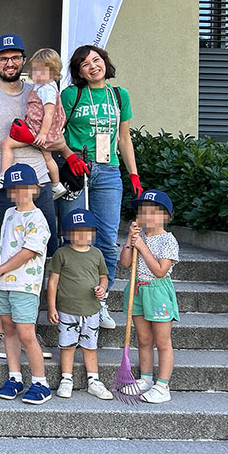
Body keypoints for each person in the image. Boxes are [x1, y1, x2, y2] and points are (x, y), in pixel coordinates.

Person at [0, 34, 57, 361]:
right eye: (3, 58)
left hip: (39, 185)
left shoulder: (40, 92)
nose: (10, 63)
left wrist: (64, 156)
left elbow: (55, 132)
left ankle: (28, 331)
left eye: (15, 57)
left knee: (39, 255)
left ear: (24, 60)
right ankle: (1, 333)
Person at [58, 44, 142, 331]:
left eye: (96, 60)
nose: (93, 66)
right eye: (85, 64)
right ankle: (71, 301)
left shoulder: (120, 95)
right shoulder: (71, 95)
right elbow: (55, 133)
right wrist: (69, 157)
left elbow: (124, 138)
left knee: (106, 238)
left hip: (108, 172)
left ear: (105, 62)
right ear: (79, 72)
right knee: (74, 237)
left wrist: (133, 175)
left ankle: (99, 301)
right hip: (76, 170)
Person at [0, 164, 52, 405]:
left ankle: (40, 382)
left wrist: (1, 268)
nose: (19, 192)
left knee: (26, 332)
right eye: (14, 188)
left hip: (25, 285)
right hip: (4, 285)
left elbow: (27, 252)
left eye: (24, 187)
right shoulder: (9, 214)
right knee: (9, 329)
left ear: (35, 189)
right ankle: (15, 377)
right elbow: (7, 245)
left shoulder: (38, 218)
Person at [119, 189, 180, 404]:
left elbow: (160, 271)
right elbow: (125, 263)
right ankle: (145, 379)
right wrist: (130, 238)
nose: (147, 216)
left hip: (157, 290)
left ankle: (162, 385)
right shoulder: (139, 236)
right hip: (137, 289)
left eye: (154, 212)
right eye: (143, 212)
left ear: (166, 216)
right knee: (143, 339)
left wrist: (142, 247)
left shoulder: (168, 241)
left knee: (162, 341)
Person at [46, 209, 114, 400]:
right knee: (67, 345)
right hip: (67, 309)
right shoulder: (62, 254)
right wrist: (51, 306)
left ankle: (94, 380)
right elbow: (52, 282)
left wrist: (102, 287)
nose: (82, 235)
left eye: (86, 231)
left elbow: (104, 277)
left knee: (90, 346)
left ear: (93, 233)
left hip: (91, 309)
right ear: (68, 233)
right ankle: (66, 379)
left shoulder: (97, 254)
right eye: (76, 231)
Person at [0, 47, 68, 200]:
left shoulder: (47, 89)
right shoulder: (42, 86)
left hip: (37, 130)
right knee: (47, 157)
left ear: (54, 71)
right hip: (41, 131)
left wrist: (43, 134)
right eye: (36, 71)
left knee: (6, 144)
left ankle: (2, 176)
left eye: (43, 72)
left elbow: (49, 113)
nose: (38, 75)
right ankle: (57, 185)